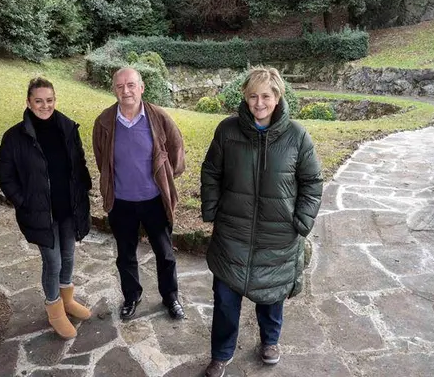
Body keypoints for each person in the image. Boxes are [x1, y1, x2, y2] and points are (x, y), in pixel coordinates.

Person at [200, 67, 323, 376]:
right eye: (253, 96)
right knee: (225, 301)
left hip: (277, 235)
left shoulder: (297, 136)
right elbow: (211, 172)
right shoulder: (227, 132)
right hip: (232, 233)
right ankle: (221, 353)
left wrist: (301, 222)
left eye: (266, 96)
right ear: (244, 96)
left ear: (277, 97)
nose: (259, 103)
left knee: (271, 298)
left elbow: (312, 182)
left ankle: (270, 341)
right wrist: (211, 209)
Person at [0, 77, 93, 340]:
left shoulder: (68, 127)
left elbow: (79, 162)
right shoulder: (15, 137)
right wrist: (23, 201)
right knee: (53, 262)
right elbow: (5, 175)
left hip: (68, 208)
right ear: (28, 102)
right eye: (38, 101)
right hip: (40, 212)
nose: (44, 105)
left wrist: (83, 189)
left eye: (49, 100)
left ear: (55, 100)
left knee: (69, 257)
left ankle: (67, 300)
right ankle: (54, 309)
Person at [92, 67, 186, 321]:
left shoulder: (158, 118)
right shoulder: (104, 121)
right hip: (121, 202)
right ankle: (131, 296)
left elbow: (177, 151)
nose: (126, 91)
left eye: (131, 85)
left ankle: (171, 297)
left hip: (155, 201)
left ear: (141, 88)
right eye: (120, 86)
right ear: (114, 90)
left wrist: (165, 178)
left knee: (165, 254)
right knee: (125, 255)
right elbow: (102, 160)